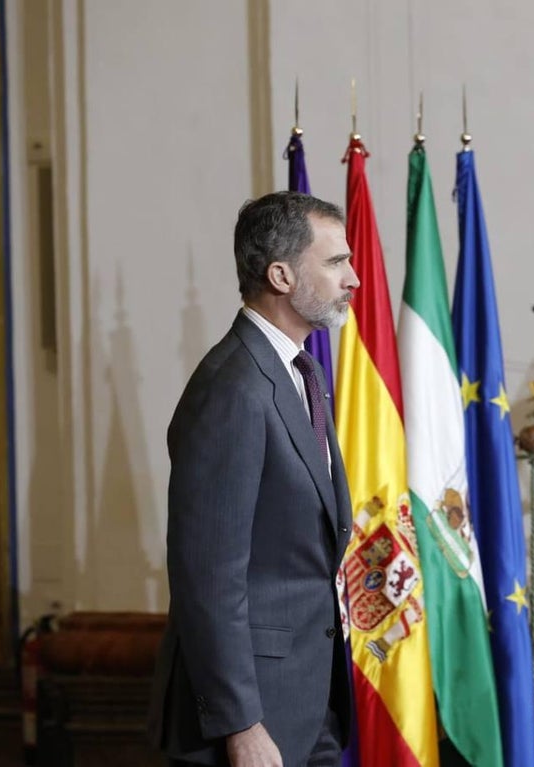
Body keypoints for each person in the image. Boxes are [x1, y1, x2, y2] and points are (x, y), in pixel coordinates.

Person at [148, 191, 360, 766]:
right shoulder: (232, 388)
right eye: (336, 262)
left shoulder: (302, 372)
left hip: (307, 703)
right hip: (247, 722)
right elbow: (207, 575)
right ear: (281, 274)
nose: (354, 279)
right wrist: (241, 725)